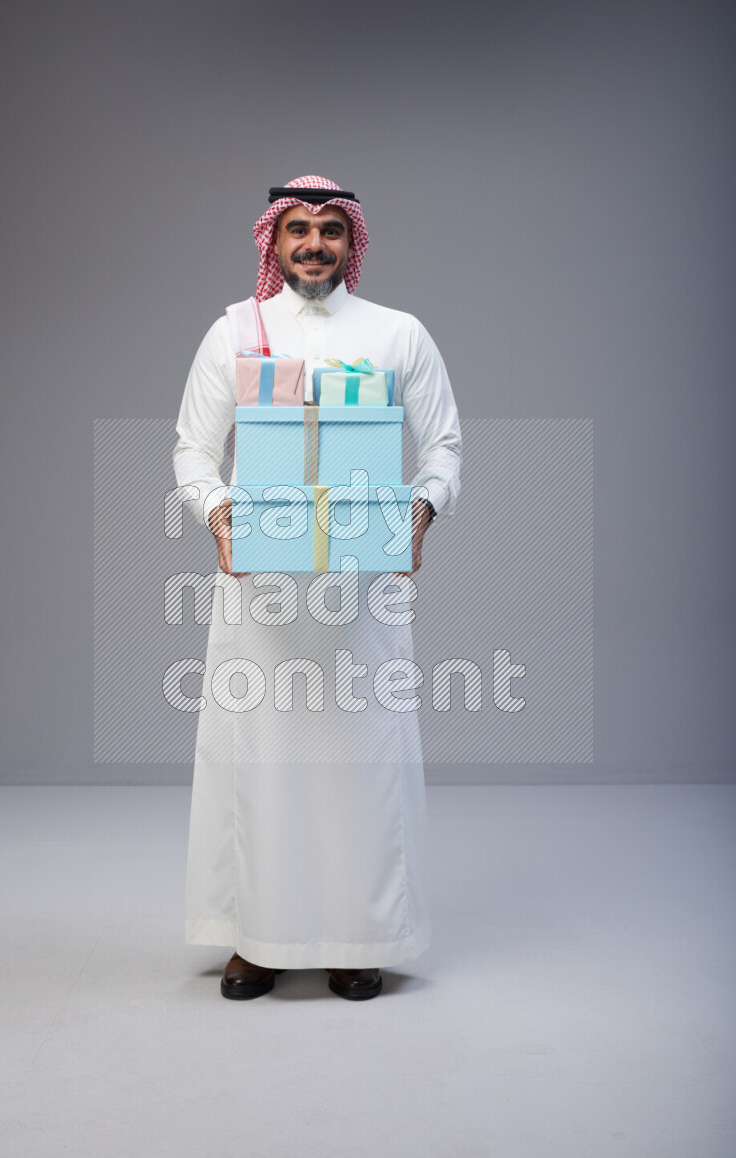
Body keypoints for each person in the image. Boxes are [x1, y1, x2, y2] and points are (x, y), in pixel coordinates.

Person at [172, 175, 462, 1000]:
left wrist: (420, 512)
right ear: (273, 239)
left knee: (356, 763)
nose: (313, 245)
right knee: (261, 759)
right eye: (298, 229)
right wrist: (220, 514)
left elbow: (443, 445)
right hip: (261, 594)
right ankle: (255, 940)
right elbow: (194, 449)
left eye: (331, 230)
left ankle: (356, 936)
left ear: (352, 242)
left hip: (360, 596)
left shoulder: (397, 334)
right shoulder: (235, 331)